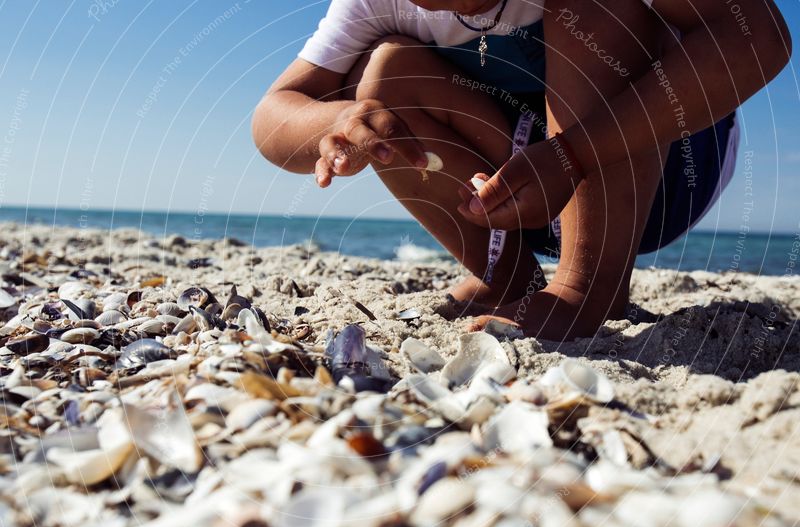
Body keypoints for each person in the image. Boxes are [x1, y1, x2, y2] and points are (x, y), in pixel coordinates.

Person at [252, 0, 792, 340]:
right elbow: (274, 113)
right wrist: (341, 120)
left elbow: (758, 36)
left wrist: (573, 153)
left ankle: (585, 285)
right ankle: (508, 276)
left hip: (665, 175)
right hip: (519, 191)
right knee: (386, 70)